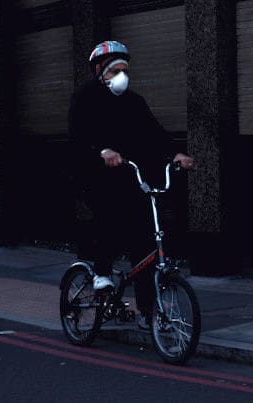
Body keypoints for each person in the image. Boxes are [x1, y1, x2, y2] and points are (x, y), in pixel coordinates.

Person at [68, 40, 193, 329]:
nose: (122, 75)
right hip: (93, 175)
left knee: (145, 244)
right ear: (100, 70)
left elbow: (154, 134)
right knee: (108, 215)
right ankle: (100, 272)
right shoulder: (85, 97)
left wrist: (175, 153)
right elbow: (78, 136)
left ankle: (149, 313)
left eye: (125, 69)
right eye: (116, 70)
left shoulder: (134, 102)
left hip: (130, 177)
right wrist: (101, 151)